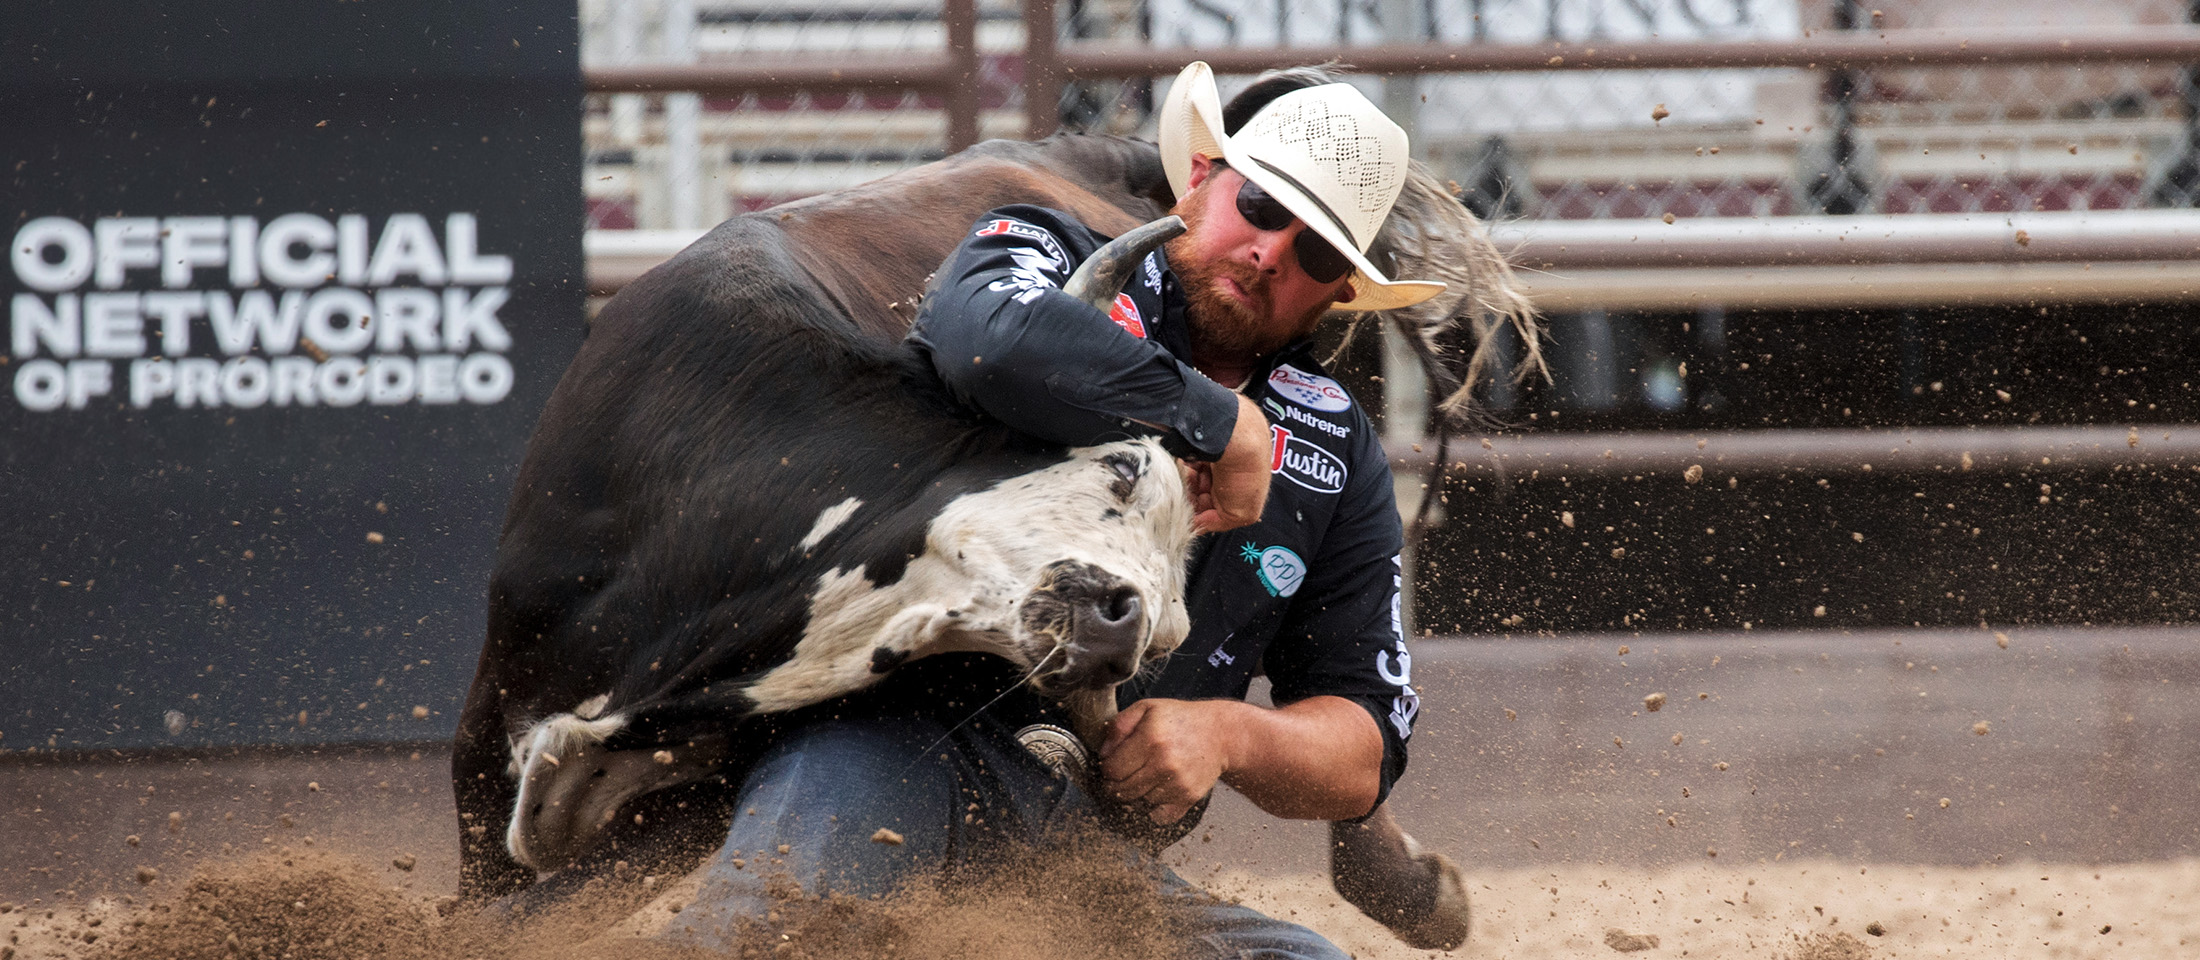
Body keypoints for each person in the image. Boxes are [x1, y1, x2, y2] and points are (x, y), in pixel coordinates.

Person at [660, 62, 1531, 959]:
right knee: (766, 933)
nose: (1269, 252)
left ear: (1342, 288)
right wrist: (1221, 423)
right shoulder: (1056, 251)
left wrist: (1227, 733)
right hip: (891, 743)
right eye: (1262, 206)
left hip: (1083, 850)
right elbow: (986, 340)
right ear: (1201, 179)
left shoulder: (1333, 446)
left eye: (1314, 252)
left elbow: (1360, 746)